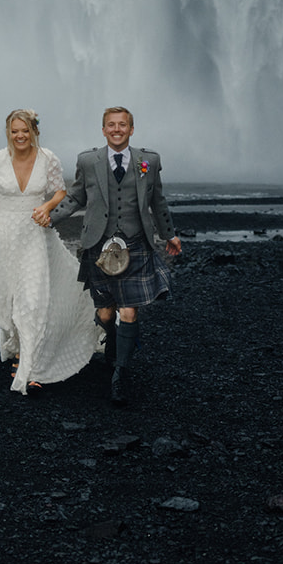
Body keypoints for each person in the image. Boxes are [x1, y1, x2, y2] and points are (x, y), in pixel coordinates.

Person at [41, 105, 181, 405]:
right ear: (103, 130)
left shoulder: (150, 161)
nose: (117, 130)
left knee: (129, 311)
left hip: (136, 244)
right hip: (98, 245)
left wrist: (169, 234)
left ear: (131, 129)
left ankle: (121, 375)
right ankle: (115, 344)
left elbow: (158, 201)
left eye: (122, 125)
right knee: (106, 312)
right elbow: (76, 196)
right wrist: (49, 218)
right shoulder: (88, 160)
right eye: (111, 125)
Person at [0, 109, 101, 395]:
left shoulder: (48, 158)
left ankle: (31, 367)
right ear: (8, 132)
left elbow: (59, 191)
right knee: (9, 300)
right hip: (3, 234)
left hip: (34, 232)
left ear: (34, 131)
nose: (20, 135)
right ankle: (19, 347)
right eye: (14, 131)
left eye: (25, 130)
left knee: (32, 299)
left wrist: (46, 207)